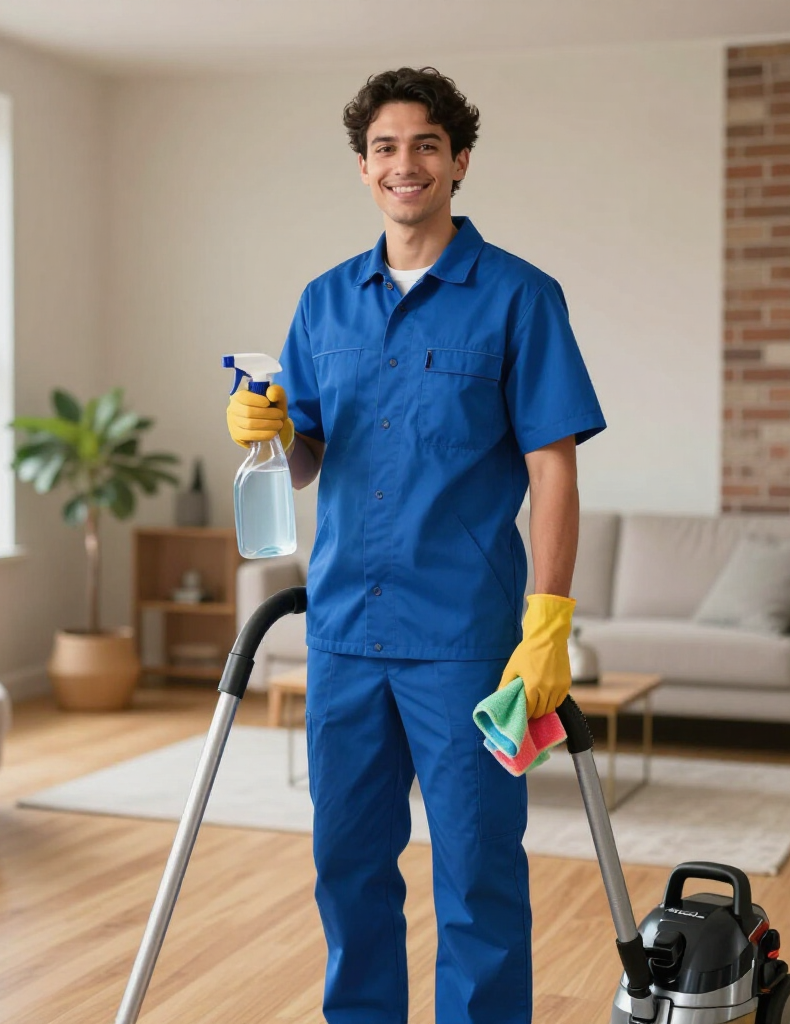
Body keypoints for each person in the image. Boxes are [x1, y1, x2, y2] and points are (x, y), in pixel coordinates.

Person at [226, 66, 606, 1024]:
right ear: (364, 167)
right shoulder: (323, 304)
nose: (406, 164)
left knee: (477, 873)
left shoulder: (521, 297)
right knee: (348, 862)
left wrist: (549, 621)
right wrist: (266, 428)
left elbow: (553, 468)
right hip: (346, 630)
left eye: (427, 145)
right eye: (386, 148)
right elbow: (307, 457)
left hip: (468, 643)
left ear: (459, 161)